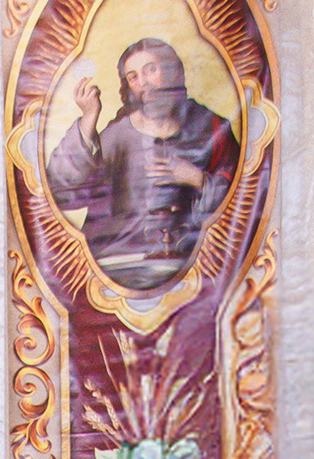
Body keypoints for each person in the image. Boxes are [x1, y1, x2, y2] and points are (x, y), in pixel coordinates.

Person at [48, 36, 238, 291]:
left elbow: (247, 199)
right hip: (121, 266)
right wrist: (88, 120)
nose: (143, 83)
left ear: (175, 72)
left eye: (151, 69)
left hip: (197, 270)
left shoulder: (212, 128)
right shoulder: (117, 135)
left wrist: (198, 179)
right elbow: (62, 193)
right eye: (133, 77)